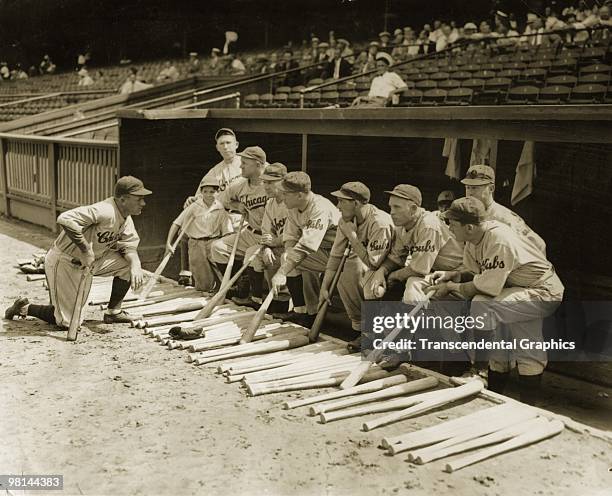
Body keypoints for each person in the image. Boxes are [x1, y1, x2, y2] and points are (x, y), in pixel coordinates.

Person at [429, 197, 564, 404]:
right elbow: (481, 271)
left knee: (483, 305)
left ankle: (479, 371)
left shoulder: (498, 238)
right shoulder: (475, 238)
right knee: (524, 351)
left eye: (453, 224)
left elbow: (487, 286)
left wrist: (450, 287)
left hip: (543, 291)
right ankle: (506, 402)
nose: (449, 228)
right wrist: (453, 275)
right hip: (518, 289)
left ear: (470, 227)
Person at [5, 176, 152, 328]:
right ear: (123, 199)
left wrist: (136, 264)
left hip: (93, 261)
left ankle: (113, 312)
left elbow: (129, 246)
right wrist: (86, 250)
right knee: (67, 323)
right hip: (65, 261)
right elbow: (65, 219)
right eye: (139, 199)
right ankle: (24, 308)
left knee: (127, 265)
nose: (143, 203)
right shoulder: (105, 210)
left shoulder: (125, 218)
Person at [367, 184, 465, 370]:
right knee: (387, 285)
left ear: (413, 209)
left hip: (456, 274)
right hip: (434, 273)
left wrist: (394, 274)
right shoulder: (403, 226)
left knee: (411, 285)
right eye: (390, 207)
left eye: (397, 207)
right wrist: (382, 271)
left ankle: (402, 351)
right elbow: (396, 257)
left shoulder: (428, 224)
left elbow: (419, 269)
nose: (392, 212)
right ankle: (382, 342)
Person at [319, 182, 393, 348]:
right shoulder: (346, 220)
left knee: (365, 275)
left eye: (342, 201)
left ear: (357, 203)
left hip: (394, 265)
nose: (338, 207)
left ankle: (372, 334)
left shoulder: (379, 222)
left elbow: (374, 263)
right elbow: (335, 255)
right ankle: (360, 327)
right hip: (377, 265)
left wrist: (353, 237)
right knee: (345, 268)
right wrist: (325, 287)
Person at [270, 172, 340, 328]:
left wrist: (281, 273)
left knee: (294, 261)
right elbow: (290, 237)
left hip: (343, 255)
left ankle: (315, 315)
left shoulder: (320, 207)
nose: (282, 196)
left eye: (285, 193)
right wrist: (288, 253)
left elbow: (305, 247)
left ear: (300, 195)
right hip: (321, 252)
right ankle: (302, 312)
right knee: (288, 258)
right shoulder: (293, 206)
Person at [209, 146, 268, 305]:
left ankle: (260, 297)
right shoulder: (240, 184)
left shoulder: (272, 183)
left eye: (244, 163)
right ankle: (240, 284)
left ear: (258, 164)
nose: (240, 166)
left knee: (253, 255)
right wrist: (236, 206)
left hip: (272, 237)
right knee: (218, 248)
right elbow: (221, 199)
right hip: (251, 232)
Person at [165, 177, 233, 292]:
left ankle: (223, 293)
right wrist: (168, 243)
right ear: (201, 192)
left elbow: (227, 231)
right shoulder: (194, 207)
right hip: (196, 244)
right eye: (205, 192)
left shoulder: (220, 208)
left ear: (217, 192)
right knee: (202, 278)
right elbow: (177, 223)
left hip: (213, 242)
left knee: (220, 271)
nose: (208, 195)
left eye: (212, 192)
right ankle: (203, 296)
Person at [461, 164, 546, 254]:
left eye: (475, 188)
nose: (470, 193)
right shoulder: (468, 215)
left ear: (491, 188)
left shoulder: (504, 217)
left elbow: (539, 244)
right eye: (467, 187)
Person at [259, 162, 294, 314]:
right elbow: (266, 231)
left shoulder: (292, 202)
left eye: (271, 182)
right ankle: (276, 304)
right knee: (263, 256)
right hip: (279, 245)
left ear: (283, 181)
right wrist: (267, 247)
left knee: (286, 257)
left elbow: (296, 235)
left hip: (299, 246)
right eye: (264, 182)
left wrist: (273, 242)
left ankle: (300, 309)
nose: (266, 186)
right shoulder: (270, 203)